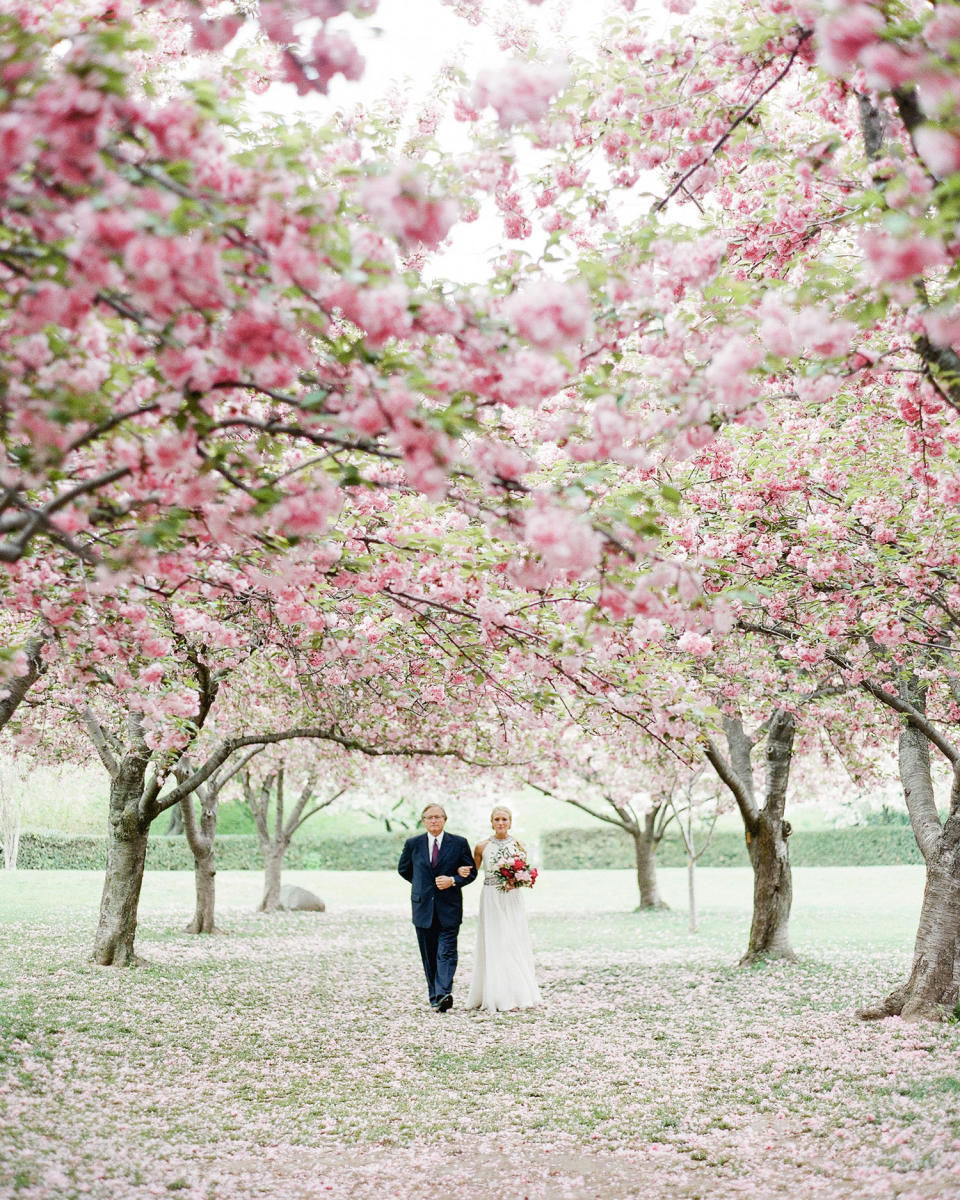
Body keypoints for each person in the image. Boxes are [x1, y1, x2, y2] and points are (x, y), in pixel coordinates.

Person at [397, 803, 477, 1012]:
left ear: (445, 819)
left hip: (449, 907)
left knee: (447, 952)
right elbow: (404, 869)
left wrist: (453, 880)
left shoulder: (459, 843)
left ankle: (444, 993)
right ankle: (435, 997)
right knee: (429, 954)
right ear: (423, 821)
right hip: (423, 908)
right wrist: (423, 886)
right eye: (429, 817)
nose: (434, 821)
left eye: (438, 817)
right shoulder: (413, 844)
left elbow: (471, 872)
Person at [466, 805, 541, 1013]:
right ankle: (495, 993)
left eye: (504, 819)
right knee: (495, 940)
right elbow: (473, 872)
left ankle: (518, 992)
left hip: (512, 897)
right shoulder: (481, 846)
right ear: (491, 822)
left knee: (513, 939)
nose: (501, 823)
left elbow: (524, 871)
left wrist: (517, 881)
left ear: (510, 822)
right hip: (491, 896)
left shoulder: (519, 845)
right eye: (497, 819)